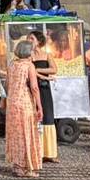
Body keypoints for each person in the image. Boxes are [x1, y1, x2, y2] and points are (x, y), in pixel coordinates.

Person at [5, 38, 43, 177]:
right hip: (24, 102)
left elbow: (7, 84)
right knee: (27, 132)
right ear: (29, 52)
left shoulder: (12, 65)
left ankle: (17, 165)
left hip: (12, 102)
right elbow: (34, 88)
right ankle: (27, 167)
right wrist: (39, 106)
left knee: (16, 134)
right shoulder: (29, 66)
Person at [32, 32, 59, 161]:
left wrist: (38, 71)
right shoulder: (29, 56)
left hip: (44, 88)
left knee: (48, 117)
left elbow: (54, 69)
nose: (29, 40)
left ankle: (50, 152)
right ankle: (38, 152)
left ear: (38, 41)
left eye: (31, 38)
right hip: (33, 88)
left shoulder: (47, 55)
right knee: (36, 118)